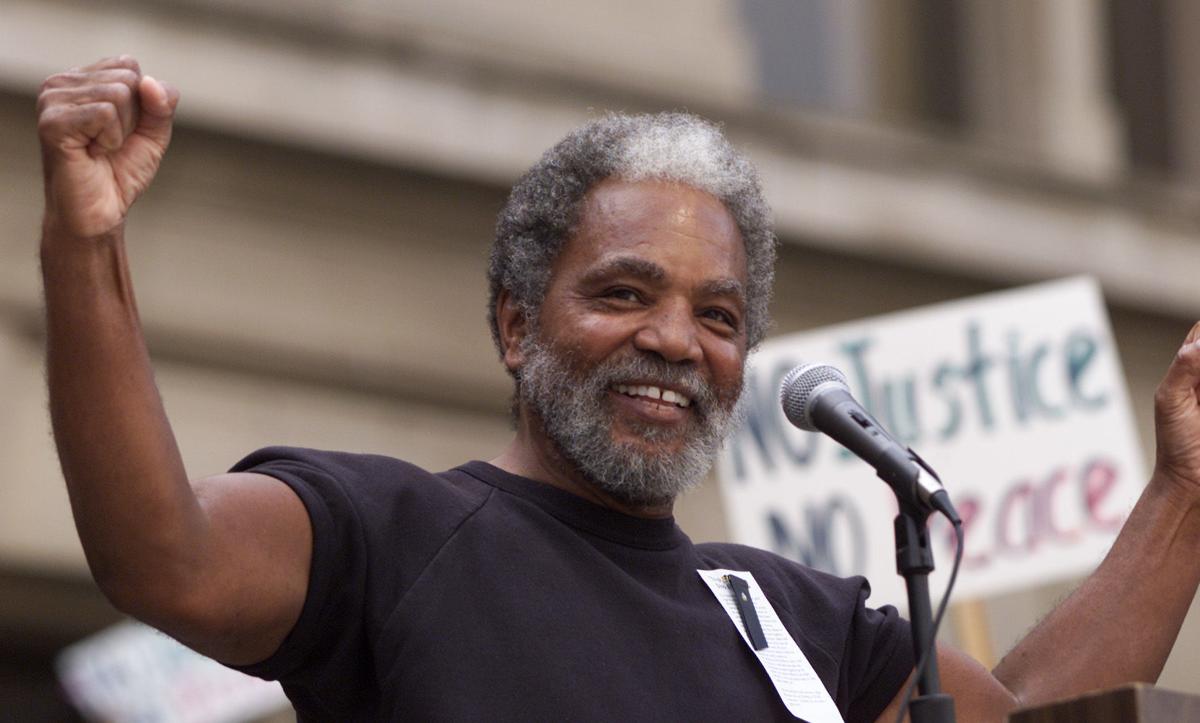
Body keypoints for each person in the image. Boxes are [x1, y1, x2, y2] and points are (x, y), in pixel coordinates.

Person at [36, 55, 1200, 722]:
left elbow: (1032, 721)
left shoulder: (801, 624)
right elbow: (167, 558)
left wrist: (1184, 493)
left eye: (719, 316)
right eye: (625, 293)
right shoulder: (395, 533)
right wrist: (86, 247)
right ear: (515, 325)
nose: (675, 340)